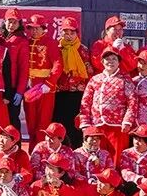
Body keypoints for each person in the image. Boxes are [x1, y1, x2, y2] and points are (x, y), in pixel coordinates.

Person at [79, 47, 136, 162]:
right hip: (97, 125)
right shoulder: (95, 79)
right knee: (97, 157)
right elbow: (85, 102)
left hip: (118, 127)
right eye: (107, 59)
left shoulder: (125, 80)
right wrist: (85, 122)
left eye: (114, 59)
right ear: (102, 61)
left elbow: (132, 102)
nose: (110, 62)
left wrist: (127, 121)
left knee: (117, 158)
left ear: (119, 62)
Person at [52, 17, 92, 147]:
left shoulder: (83, 50)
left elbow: (88, 71)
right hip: (59, 92)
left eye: (72, 33)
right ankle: (60, 148)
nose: (69, 36)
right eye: (66, 32)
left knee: (75, 124)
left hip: (77, 93)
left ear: (77, 33)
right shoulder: (57, 48)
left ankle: (75, 150)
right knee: (59, 122)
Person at [24, 14, 63, 138]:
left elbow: (58, 64)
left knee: (43, 121)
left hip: (45, 87)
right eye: (31, 28)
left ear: (43, 28)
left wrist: (49, 83)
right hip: (29, 86)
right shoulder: (26, 42)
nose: (34, 31)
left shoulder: (50, 43)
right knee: (30, 120)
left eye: (37, 28)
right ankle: (32, 147)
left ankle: (41, 147)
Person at [0, 8, 30, 130]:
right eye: (9, 21)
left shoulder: (22, 41)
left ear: (19, 24)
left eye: (15, 22)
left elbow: (24, 68)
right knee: (0, 118)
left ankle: (16, 142)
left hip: (12, 87)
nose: (11, 25)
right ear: (4, 21)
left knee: (12, 119)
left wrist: (20, 91)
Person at [118, 125, 147, 192]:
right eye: (135, 138)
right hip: (131, 187)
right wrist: (139, 179)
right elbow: (125, 172)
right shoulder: (126, 153)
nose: (136, 142)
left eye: (140, 140)